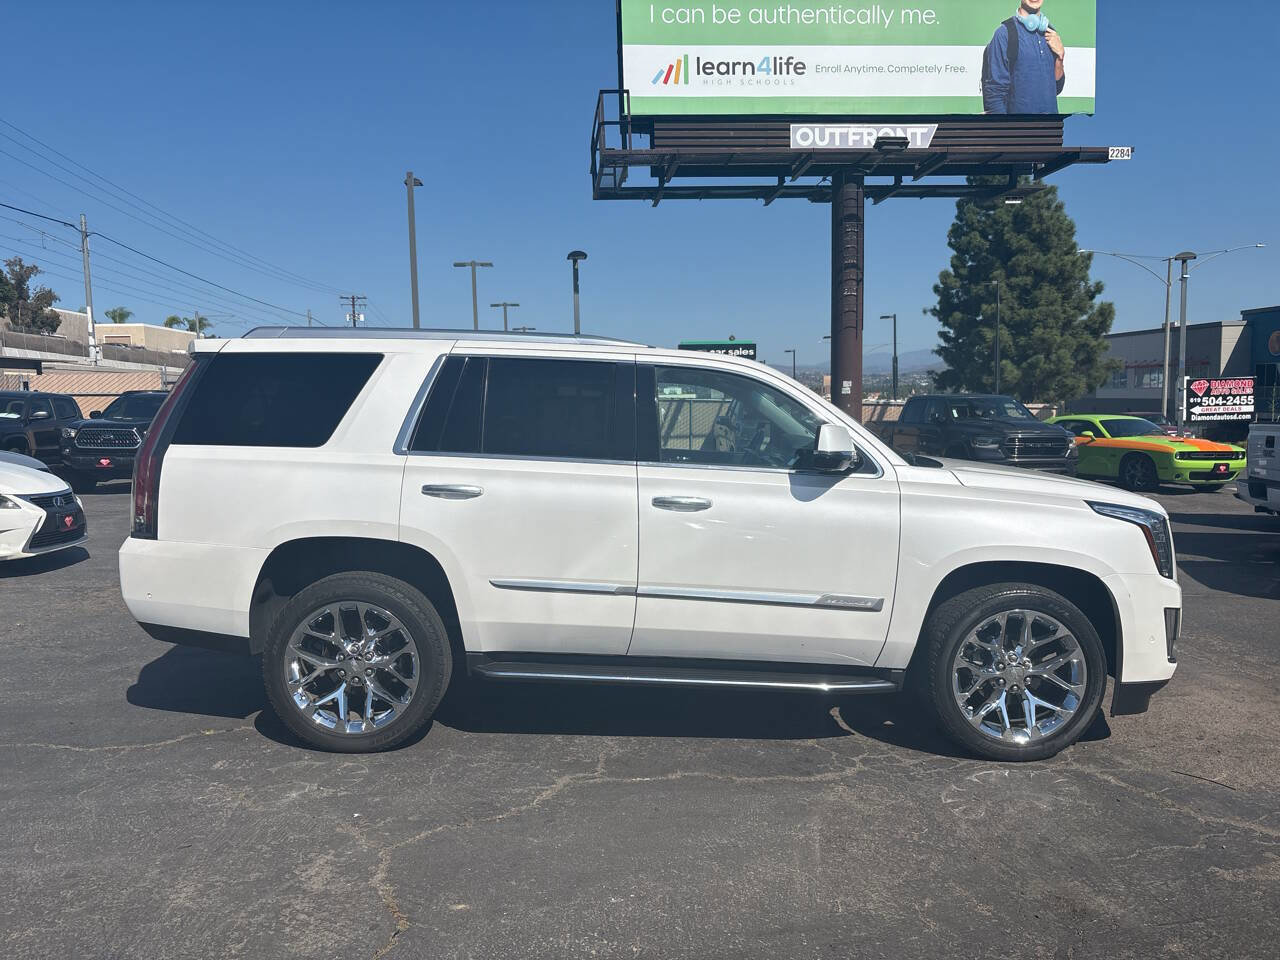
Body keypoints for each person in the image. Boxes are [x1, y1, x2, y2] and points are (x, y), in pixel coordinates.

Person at [982, 0, 1066, 114]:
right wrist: (1003, 130)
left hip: (1050, 127)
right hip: (1018, 129)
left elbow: (1056, 87)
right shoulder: (1004, 33)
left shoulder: (1051, 33)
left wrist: (1060, 57)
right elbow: (994, 94)